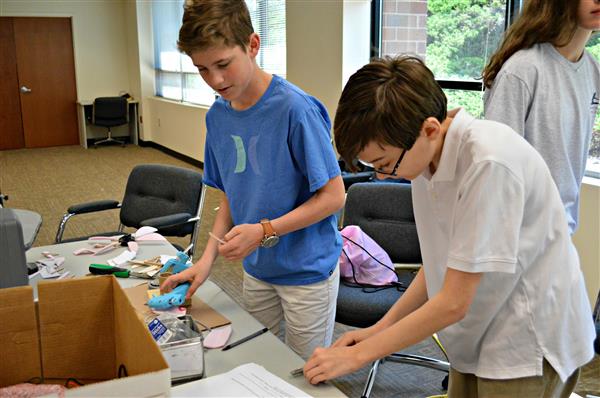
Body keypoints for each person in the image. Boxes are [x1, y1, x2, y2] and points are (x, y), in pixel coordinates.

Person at [304, 56, 595, 397]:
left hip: (527, 337)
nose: (382, 175)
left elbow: (455, 301)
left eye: (384, 163)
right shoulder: (423, 157)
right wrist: (379, 329)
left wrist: (362, 354)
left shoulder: (488, 162)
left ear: (429, 129)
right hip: (479, 328)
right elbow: (441, 262)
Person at [161, 0, 345, 359]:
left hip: (306, 272)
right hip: (258, 269)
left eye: (223, 65)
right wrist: (207, 259)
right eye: (202, 69)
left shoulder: (296, 109)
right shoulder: (217, 117)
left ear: (253, 45)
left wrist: (262, 231)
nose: (215, 80)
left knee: (304, 372)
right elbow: (232, 195)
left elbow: (334, 197)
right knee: (259, 361)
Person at [483, 0, 600, 235]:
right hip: (520, 238)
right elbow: (495, 170)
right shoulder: (522, 70)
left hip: (561, 234)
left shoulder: (591, 69)